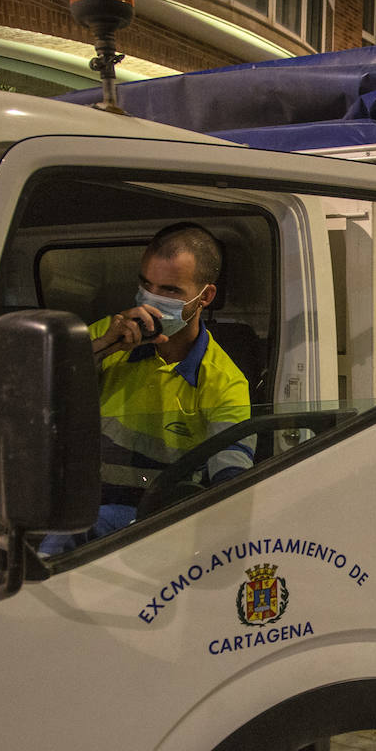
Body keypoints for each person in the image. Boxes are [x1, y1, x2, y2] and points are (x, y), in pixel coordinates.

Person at [41, 223, 253, 554]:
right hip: (84, 498)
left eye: (169, 290)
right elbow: (43, 397)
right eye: (145, 284)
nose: (152, 299)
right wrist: (105, 346)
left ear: (205, 297)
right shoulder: (107, 333)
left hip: (161, 517)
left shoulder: (223, 380)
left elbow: (232, 471)